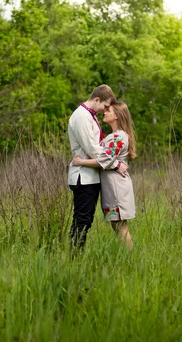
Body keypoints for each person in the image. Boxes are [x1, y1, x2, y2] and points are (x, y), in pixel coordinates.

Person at [68, 85, 129, 250]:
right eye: (104, 105)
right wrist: (116, 164)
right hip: (83, 176)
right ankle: (74, 259)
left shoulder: (88, 116)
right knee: (82, 221)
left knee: (86, 221)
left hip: (91, 175)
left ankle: (75, 257)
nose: (104, 110)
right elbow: (93, 149)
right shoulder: (81, 116)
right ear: (96, 99)